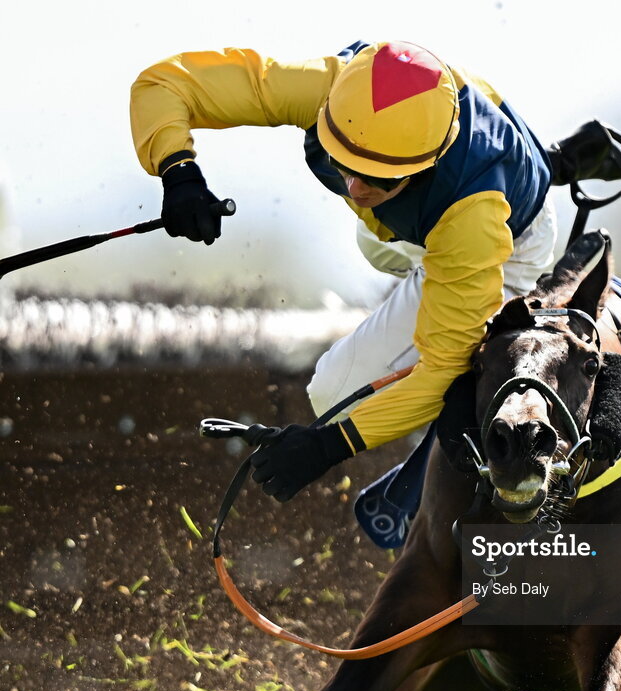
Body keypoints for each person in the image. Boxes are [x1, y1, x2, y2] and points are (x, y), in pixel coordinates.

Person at [130, 40, 556, 502]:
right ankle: (548, 165)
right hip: (424, 217)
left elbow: (437, 369)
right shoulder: (329, 85)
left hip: (504, 245)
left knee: (334, 393)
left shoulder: (471, 219)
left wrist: (330, 444)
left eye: (379, 178)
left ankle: (473, 410)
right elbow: (162, 83)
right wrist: (178, 170)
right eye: (346, 163)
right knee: (374, 246)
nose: (354, 188)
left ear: (425, 165)